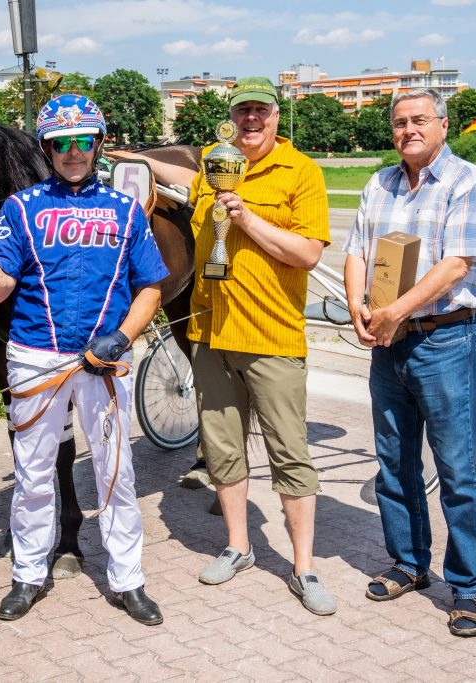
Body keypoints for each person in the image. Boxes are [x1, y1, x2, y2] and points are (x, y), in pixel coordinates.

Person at [138, 76, 334, 615]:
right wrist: (123, 155)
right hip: (209, 337)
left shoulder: (302, 172)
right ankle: (239, 547)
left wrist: (248, 218)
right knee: (224, 453)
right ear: (232, 117)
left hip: (272, 338)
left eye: (261, 112)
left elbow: (308, 254)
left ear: (276, 117)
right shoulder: (213, 165)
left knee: (290, 456)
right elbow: (179, 174)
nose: (252, 119)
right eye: (243, 111)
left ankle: (304, 567)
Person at [0, 94, 168, 625]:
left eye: (84, 141)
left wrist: (122, 338)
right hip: (35, 358)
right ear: (47, 149)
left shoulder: (126, 210)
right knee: (32, 475)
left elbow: (151, 285)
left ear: (98, 145)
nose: (73, 152)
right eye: (61, 143)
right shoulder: (21, 208)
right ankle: (28, 575)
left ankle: (128, 581)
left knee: (115, 475)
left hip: (101, 363)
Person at [343, 88, 476, 637]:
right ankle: (409, 563)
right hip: (388, 345)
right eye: (400, 122)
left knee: (456, 471)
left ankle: (468, 589)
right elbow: (357, 249)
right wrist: (358, 305)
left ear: (442, 124)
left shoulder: (465, 181)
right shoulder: (380, 182)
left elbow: (457, 265)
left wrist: (395, 314)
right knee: (394, 462)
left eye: (420, 120)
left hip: (444, 342)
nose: (409, 129)